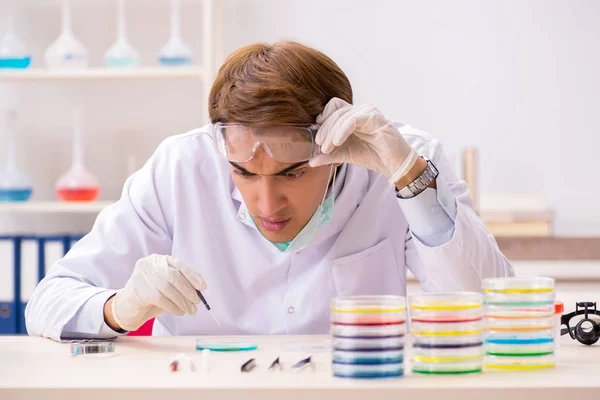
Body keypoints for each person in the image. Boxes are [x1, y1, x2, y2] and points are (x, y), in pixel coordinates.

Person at [25, 41, 513, 341]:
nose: (266, 204)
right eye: (243, 172)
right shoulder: (181, 167)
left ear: (334, 144)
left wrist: (409, 177)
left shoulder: (402, 162)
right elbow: (47, 303)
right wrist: (122, 306)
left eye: (293, 173)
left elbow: (495, 309)